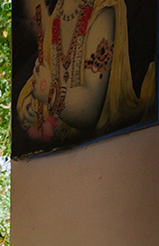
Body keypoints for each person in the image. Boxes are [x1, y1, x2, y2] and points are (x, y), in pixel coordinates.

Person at [17, 0, 156, 144]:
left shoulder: (104, 11)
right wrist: (31, 105)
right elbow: (43, 74)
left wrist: (49, 94)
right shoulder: (57, 15)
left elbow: (90, 112)